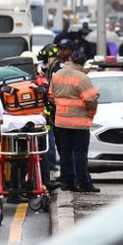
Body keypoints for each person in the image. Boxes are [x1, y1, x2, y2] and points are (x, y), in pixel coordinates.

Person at [50, 51, 99, 193]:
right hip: (79, 123)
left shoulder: (57, 75)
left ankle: (67, 182)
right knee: (80, 153)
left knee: (65, 153)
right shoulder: (82, 78)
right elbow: (91, 99)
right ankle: (84, 184)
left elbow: (51, 96)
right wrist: (90, 114)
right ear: (82, 63)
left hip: (61, 122)